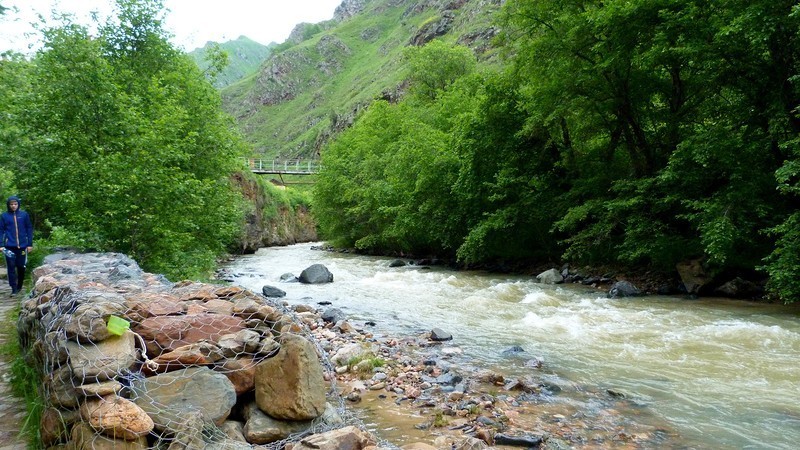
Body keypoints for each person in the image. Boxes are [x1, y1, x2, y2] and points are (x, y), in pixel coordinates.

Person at [0, 196, 33, 296]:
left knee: (21, 266)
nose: (13, 206)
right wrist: (1, 245)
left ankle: (19, 286)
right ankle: (13, 288)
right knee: (10, 267)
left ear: (18, 204)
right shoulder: (4, 216)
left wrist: (29, 244)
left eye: (15, 204)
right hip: (9, 246)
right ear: (8, 205)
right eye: (11, 204)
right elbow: (1, 230)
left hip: (23, 246)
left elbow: (29, 228)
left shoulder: (24, 215)